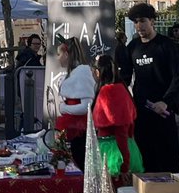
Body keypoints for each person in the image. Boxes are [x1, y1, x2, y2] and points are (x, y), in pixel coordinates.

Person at [125, 2, 179, 172]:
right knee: (145, 161)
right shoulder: (132, 47)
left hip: (163, 111)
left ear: (152, 21)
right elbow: (125, 77)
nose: (139, 26)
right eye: (136, 22)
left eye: (143, 21)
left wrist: (166, 102)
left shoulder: (166, 45)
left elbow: (178, 77)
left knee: (167, 161)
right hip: (141, 112)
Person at [91, 54, 143, 184]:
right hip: (123, 148)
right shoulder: (122, 89)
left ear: (98, 72)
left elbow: (121, 130)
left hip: (114, 153)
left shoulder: (109, 92)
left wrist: (125, 164)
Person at [54, 37, 95, 167]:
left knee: (80, 160)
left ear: (66, 55)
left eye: (59, 54)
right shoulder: (75, 73)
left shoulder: (81, 73)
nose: (57, 58)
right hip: (74, 126)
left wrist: (64, 108)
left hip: (80, 127)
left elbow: (86, 106)